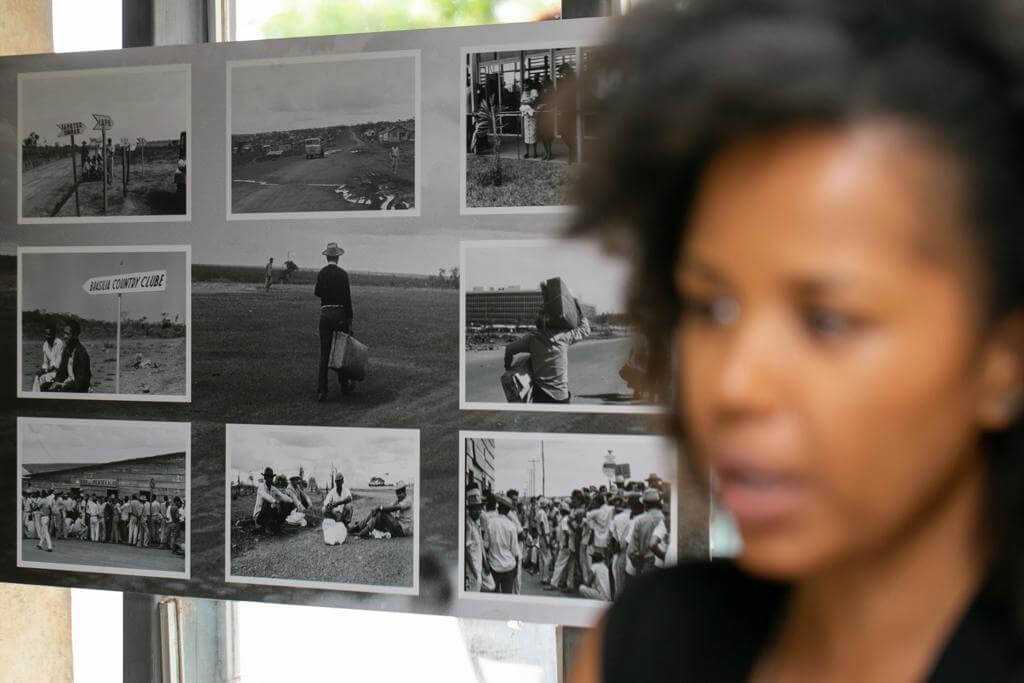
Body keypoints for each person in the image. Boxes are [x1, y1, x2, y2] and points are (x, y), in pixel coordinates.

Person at [568, 2, 1024, 681]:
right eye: (712, 307)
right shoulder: (646, 642)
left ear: (1003, 358)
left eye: (828, 319)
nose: (733, 386)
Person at [504, 297, 591, 404]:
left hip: (540, 395)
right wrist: (578, 308)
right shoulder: (564, 337)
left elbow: (509, 349)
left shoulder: (531, 339)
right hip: (560, 395)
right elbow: (585, 329)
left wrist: (508, 367)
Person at [315, 242, 354, 402]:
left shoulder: (322, 273)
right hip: (339, 314)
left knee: (324, 353)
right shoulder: (343, 274)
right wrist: (349, 319)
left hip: (325, 314)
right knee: (340, 351)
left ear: (327, 258)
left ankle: (322, 390)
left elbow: (317, 292)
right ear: (337, 257)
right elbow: (347, 299)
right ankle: (344, 385)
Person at [484, 494, 520, 594]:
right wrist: (516, 569)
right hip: (509, 567)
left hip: (494, 567)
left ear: (498, 507)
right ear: (508, 511)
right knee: (507, 596)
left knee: (494, 596)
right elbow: (515, 552)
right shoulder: (512, 526)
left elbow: (486, 546)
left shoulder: (490, 523)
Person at [41, 320, 91, 393]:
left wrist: (62, 385)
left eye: (67, 334)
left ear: (75, 335)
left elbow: (81, 383)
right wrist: (56, 382)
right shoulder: (66, 351)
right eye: (64, 333)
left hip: (76, 388)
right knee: (44, 386)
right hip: (66, 385)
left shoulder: (82, 353)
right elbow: (61, 373)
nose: (64, 336)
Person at [252, 468, 294, 534]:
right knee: (267, 503)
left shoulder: (273, 488)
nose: (270, 479)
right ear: (265, 477)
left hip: (269, 514)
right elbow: (265, 496)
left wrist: (291, 501)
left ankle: (277, 525)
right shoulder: (261, 487)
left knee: (285, 503)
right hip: (259, 516)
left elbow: (282, 495)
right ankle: (264, 526)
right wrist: (275, 502)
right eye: (268, 477)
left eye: (271, 477)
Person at [464, 486, 487, 591]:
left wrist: (485, 564)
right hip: (472, 571)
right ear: (470, 510)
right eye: (475, 509)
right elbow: (466, 551)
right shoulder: (468, 524)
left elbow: (480, 545)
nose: (478, 512)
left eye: (479, 509)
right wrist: (475, 573)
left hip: (478, 568)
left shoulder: (476, 523)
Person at [31, 319, 63, 391]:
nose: (47, 336)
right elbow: (45, 362)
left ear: (54, 334)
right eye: (45, 334)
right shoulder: (45, 344)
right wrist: (42, 369)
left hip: (58, 372)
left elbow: (57, 364)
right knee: (37, 377)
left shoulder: (59, 343)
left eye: (49, 334)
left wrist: (45, 370)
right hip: (49, 371)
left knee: (42, 378)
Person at [520, 78, 540, 159]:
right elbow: (521, 102)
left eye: (526, 84)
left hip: (532, 115)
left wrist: (527, 102)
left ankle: (535, 152)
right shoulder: (524, 92)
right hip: (526, 116)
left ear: (530, 84)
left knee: (533, 133)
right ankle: (527, 152)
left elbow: (534, 102)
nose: (525, 86)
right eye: (524, 84)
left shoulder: (534, 91)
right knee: (526, 135)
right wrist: (527, 102)